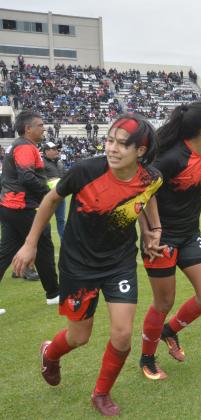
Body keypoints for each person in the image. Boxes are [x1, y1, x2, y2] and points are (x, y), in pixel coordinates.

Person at [16, 114, 162, 416]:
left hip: (120, 261)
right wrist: (30, 244)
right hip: (78, 263)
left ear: (141, 151)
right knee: (79, 337)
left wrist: (152, 229)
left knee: (122, 335)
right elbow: (50, 201)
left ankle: (101, 393)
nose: (112, 148)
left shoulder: (151, 177)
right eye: (110, 141)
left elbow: (146, 196)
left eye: (122, 144)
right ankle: (50, 353)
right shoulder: (86, 170)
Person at [138, 102, 201, 381]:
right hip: (161, 238)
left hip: (189, 234)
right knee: (164, 302)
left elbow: (198, 178)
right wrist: (150, 231)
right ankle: (147, 358)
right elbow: (143, 191)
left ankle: (169, 331)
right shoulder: (172, 157)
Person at [0, 110, 59, 306]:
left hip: (9, 206)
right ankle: (53, 294)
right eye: (40, 125)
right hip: (21, 207)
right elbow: (26, 176)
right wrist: (48, 191)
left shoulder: (19, 146)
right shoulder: (25, 147)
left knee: (6, 251)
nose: (44, 128)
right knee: (43, 247)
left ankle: (52, 292)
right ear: (28, 128)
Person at [42, 142, 66, 239]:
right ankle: (43, 244)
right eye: (54, 149)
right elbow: (38, 179)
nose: (57, 151)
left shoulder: (60, 162)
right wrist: (47, 182)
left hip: (60, 197)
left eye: (57, 149)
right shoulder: (41, 163)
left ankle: (65, 245)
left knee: (61, 220)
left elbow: (64, 176)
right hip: (47, 198)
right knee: (44, 222)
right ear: (46, 151)